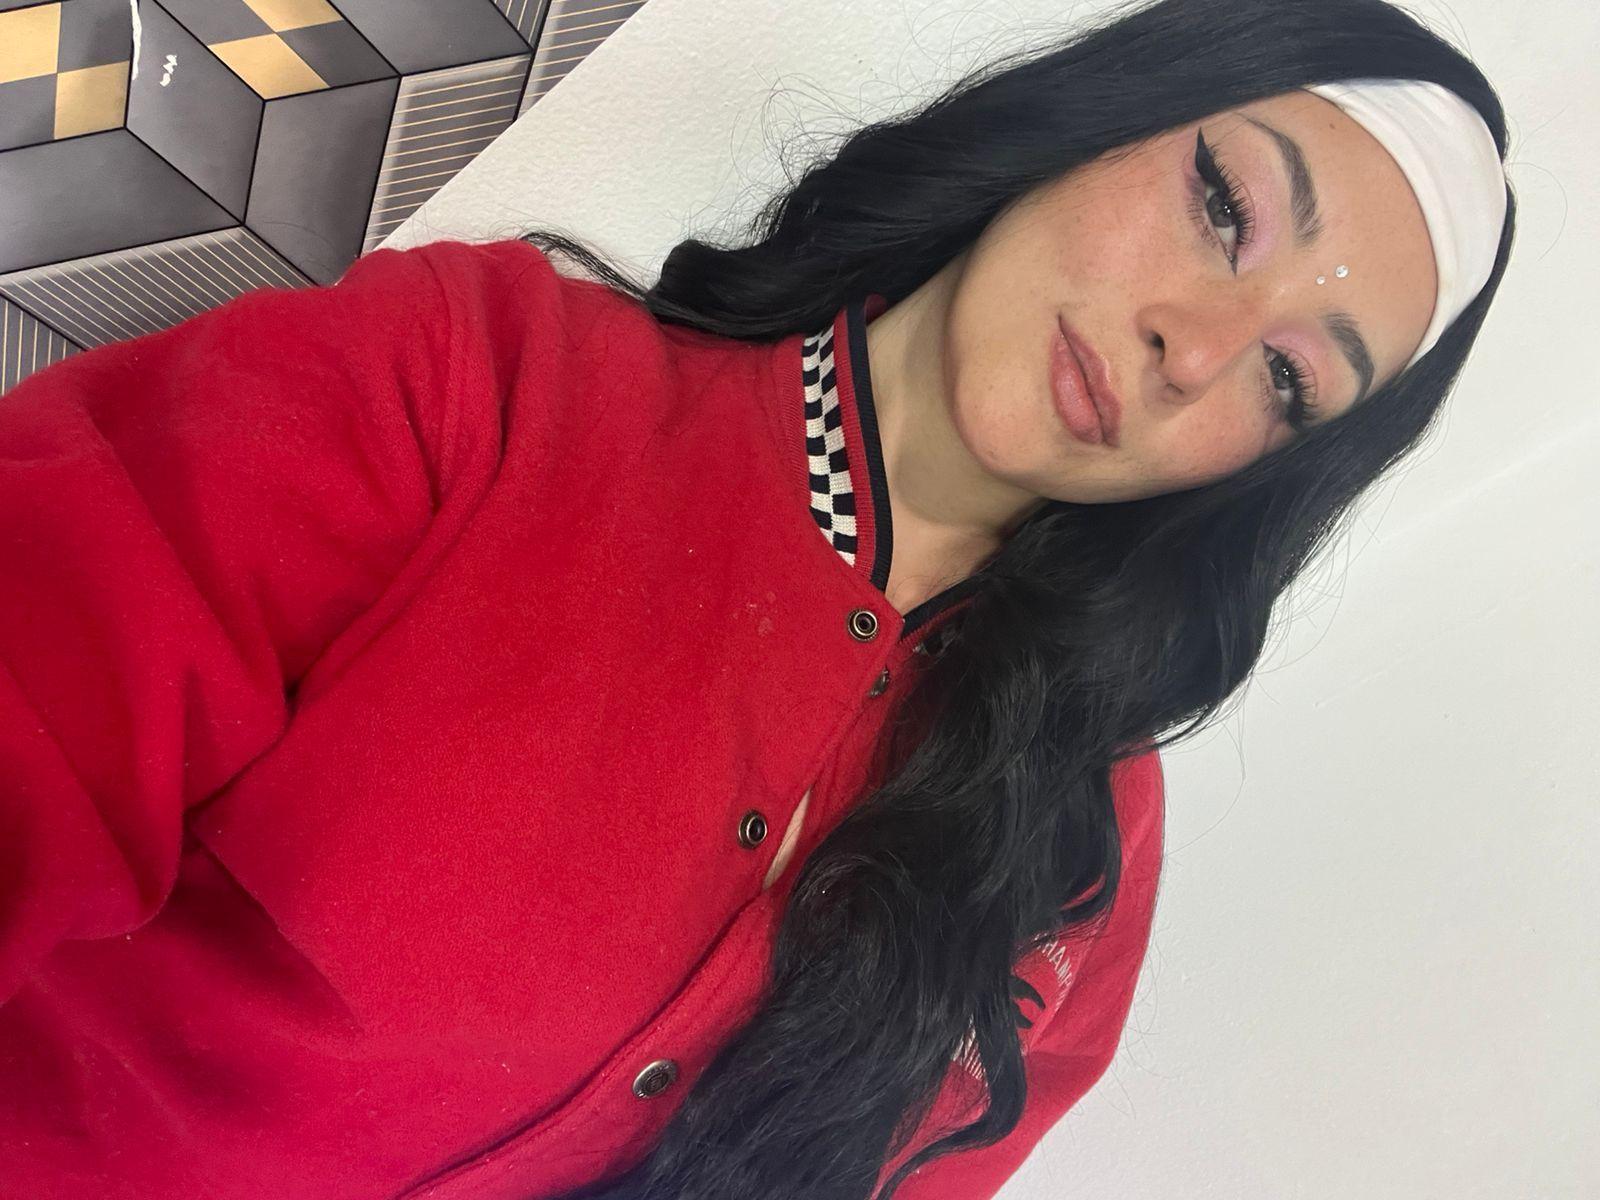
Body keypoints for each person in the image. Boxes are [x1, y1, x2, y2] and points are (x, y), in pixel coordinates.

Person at [0, 0, 1516, 1196]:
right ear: (1099, 120)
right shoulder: (479, 388)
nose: (1197, 347)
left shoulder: (1083, 848)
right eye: (1225, 205)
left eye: (1288, 382)